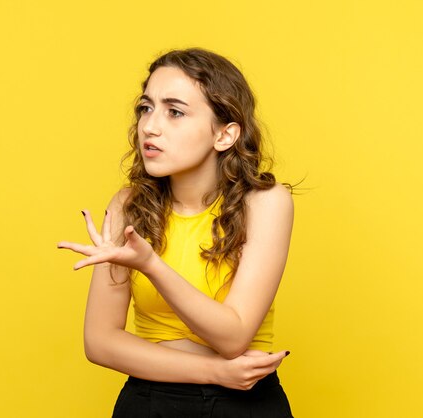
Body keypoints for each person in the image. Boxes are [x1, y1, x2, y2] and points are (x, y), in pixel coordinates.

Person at [58, 47, 295, 418]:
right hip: (149, 403)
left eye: (175, 112)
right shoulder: (127, 205)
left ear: (225, 134)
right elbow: (100, 342)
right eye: (146, 108)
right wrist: (215, 371)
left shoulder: (265, 203)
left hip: (243, 406)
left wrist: (152, 265)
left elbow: (233, 337)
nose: (150, 126)